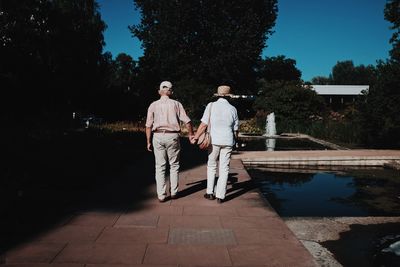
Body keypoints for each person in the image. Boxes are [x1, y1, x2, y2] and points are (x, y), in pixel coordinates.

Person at [145, 81, 194, 202]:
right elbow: (187, 121)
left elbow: (148, 125)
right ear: (171, 91)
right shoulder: (176, 104)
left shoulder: (153, 105)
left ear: (159, 92)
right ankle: (174, 192)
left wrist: (148, 141)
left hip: (157, 136)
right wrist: (191, 134)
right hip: (172, 136)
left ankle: (161, 195)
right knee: (174, 165)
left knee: (160, 166)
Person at [190, 85, 239, 203]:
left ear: (218, 95)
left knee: (211, 165)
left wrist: (195, 138)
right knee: (224, 168)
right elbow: (236, 129)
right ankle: (221, 196)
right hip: (228, 141)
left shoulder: (211, 106)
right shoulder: (233, 109)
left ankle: (210, 192)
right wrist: (235, 142)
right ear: (228, 96)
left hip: (214, 140)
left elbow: (203, 124)